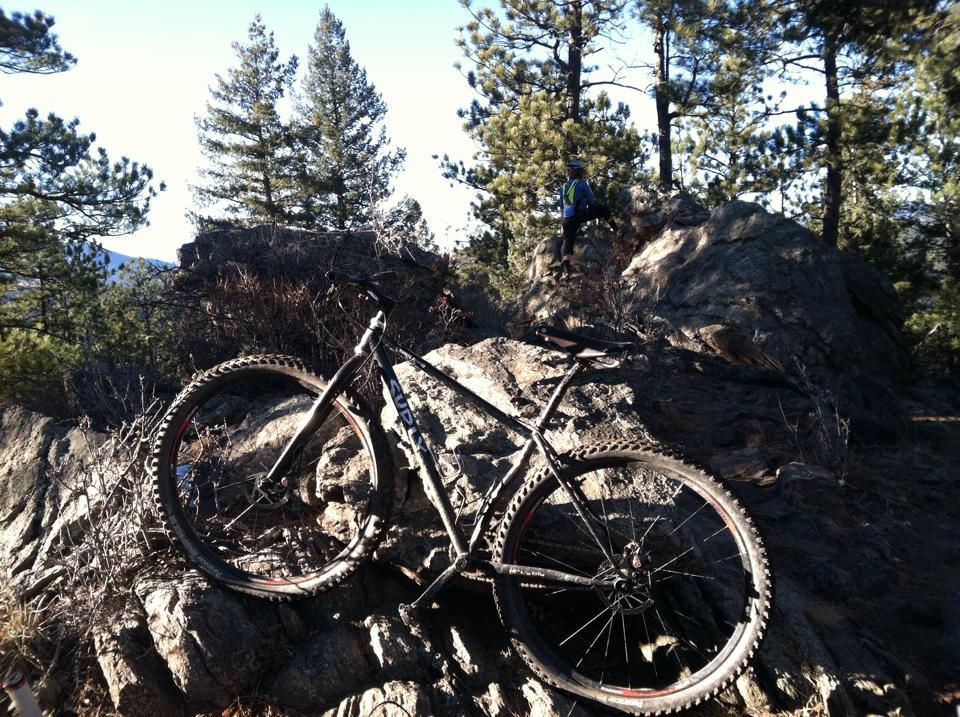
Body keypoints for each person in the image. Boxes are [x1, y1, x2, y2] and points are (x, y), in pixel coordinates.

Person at [558, 158, 618, 275]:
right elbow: (591, 202)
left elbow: (561, 206)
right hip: (579, 215)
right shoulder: (581, 184)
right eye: (581, 170)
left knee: (568, 241)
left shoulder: (564, 186)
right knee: (603, 209)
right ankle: (617, 230)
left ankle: (566, 270)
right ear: (578, 172)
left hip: (566, 219)